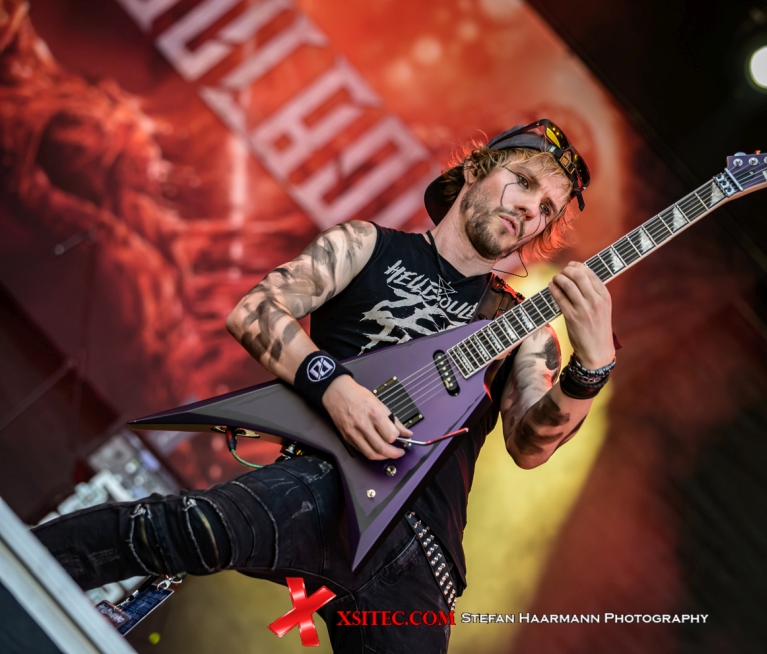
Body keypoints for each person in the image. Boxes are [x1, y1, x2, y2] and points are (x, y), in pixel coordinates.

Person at [33, 120, 615, 653]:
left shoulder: (525, 324)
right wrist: (335, 387)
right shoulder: (364, 245)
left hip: (419, 552)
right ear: (474, 170)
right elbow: (257, 311)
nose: (530, 210)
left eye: (546, 208)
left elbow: (530, 444)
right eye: (522, 182)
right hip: (322, 484)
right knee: (191, 528)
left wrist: (590, 369)